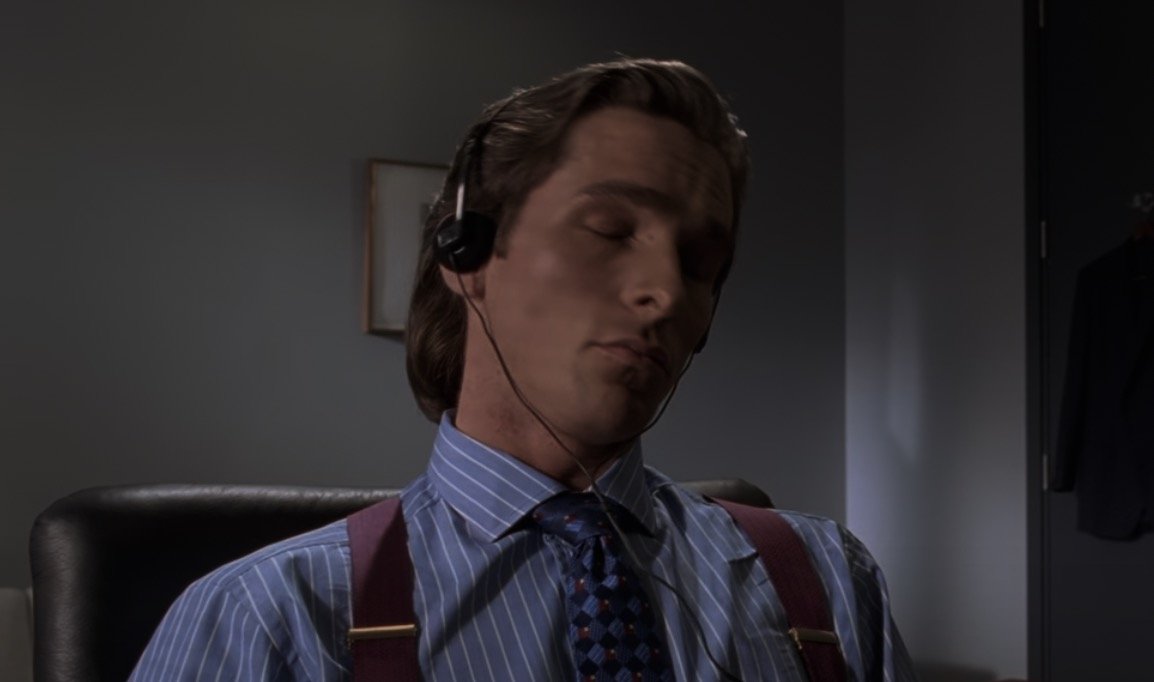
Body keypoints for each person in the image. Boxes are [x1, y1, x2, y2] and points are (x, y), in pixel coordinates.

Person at [129, 58, 916, 681]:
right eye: (609, 229)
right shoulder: (270, 618)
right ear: (466, 252)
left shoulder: (824, 579)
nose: (668, 292)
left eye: (700, 262)